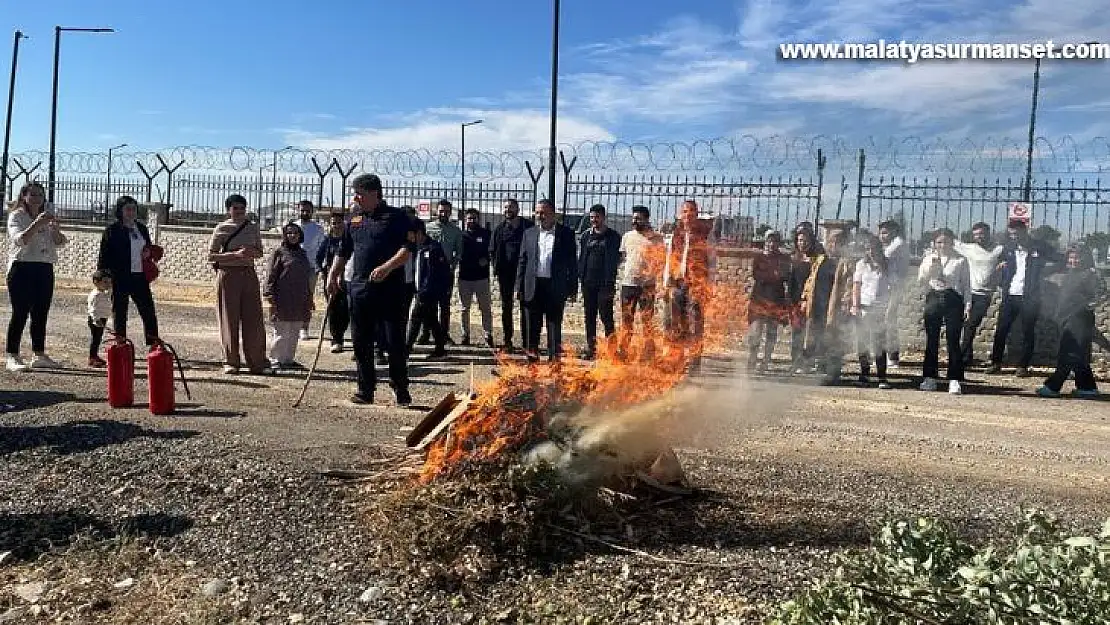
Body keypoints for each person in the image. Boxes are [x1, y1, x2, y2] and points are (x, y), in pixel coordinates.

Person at [326, 174, 417, 406]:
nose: (356, 198)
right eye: (355, 193)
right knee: (360, 342)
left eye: (360, 194)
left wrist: (387, 267)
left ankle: (400, 388)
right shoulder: (354, 221)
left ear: (375, 193)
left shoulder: (397, 218)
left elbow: (407, 249)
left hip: (390, 292)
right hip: (359, 290)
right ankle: (365, 390)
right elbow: (343, 251)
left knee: (393, 342)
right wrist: (333, 274)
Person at [6, 181, 67, 372]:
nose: (36, 198)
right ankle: (12, 355)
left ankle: (39, 354)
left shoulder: (46, 217)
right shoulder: (17, 216)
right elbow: (20, 240)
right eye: (32, 194)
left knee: (41, 313)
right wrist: (38, 223)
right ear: (24, 196)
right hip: (22, 268)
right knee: (20, 312)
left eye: (40, 195)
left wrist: (55, 229)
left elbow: (59, 242)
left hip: (44, 268)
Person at [208, 194, 269, 375]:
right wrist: (235, 255)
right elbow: (211, 256)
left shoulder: (252, 228)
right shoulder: (221, 228)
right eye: (235, 208)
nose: (239, 212)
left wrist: (251, 253)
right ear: (228, 210)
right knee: (229, 319)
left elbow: (259, 252)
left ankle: (257, 362)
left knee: (254, 320)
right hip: (228, 275)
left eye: (242, 208)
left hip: (248, 275)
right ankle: (231, 361)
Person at [985, 219, 1055, 377]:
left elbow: (1059, 259)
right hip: (1010, 295)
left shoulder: (1039, 247)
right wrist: (1001, 269)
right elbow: (998, 263)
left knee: (1028, 331)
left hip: (1030, 297)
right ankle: (996, 363)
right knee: (1002, 330)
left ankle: (1022, 366)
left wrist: (1044, 273)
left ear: (1025, 231)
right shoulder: (1009, 247)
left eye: (1016, 234)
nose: (1014, 237)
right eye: (1011, 234)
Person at [1037, 246, 1108, 398]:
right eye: (1070, 257)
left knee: (1068, 353)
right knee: (1079, 353)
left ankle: (1053, 386)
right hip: (1065, 318)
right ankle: (1087, 387)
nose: (1073, 261)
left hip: (1079, 320)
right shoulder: (1070, 274)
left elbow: (1102, 293)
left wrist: (1085, 307)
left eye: (1077, 258)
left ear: (1085, 258)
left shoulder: (1090, 274)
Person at [516, 199, 578, 362]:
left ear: (553, 213)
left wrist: (572, 288)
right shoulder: (529, 233)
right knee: (532, 327)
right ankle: (532, 361)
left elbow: (572, 263)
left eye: (543, 212)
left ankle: (554, 362)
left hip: (555, 287)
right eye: (537, 212)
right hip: (533, 286)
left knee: (554, 326)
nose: (539, 216)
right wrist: (519, 286)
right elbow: (523, 261)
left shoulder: (566, 234)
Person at [97, 195, 161, 348]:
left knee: (148, 312)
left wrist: (148, 253)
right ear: (120, 211)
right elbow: (104, 254)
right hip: (120, 276)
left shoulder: (141, 228)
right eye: (128, 209)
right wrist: (102, 276)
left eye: (134, 209)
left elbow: (148, 248)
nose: (131, 212)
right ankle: (121, 343)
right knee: (120, 312)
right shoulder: (112, 230)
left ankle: (153, 343)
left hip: (139, 276)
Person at [918, 228, 972, 394]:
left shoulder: (960, 260)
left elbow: (966, 284)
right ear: (934, 243)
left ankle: (954, 379)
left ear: (952, 242)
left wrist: (968, 304)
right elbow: (920, 281)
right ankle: (930, 377)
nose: (943, 245)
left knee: (953, 340)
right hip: (934, 296)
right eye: (939, 242)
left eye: (946, 242)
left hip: (953, 297)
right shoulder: (928, 259)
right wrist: (930, 270)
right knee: (932, 340)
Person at [798, 228, 855, 384]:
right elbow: (810, 280)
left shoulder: (845, 263)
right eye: (831, 242)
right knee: (818, 337)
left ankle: (833, 371)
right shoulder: (821, 260)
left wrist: (845, 305)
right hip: (817, 306)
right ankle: (820, 366)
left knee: (835, 339)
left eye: (838, 242)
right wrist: (804, 298)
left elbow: (849, 286)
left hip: (835, 309)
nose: (834, 245)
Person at [663, 200, 714, 367]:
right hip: (678, 284)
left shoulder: (705, 235)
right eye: (685, 211)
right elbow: (669, 258)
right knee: (676, 322)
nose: (688, 214)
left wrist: (709, 285)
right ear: (680, 214)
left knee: (695, 323)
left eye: (691, 211)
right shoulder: (676, 234)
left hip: (697, 285)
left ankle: (694, 362)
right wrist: (666, 283)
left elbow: (712, 261)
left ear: (697, 214)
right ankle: (677, 358)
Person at [617, 205, 665, 361]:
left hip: (647, 286)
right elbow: (623, 257)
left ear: (646, 219)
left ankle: (648, 353)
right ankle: (623, 351)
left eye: (638, 218)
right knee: (626, 320)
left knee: (647, 321)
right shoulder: (627, 237)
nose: (634, 221)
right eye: (633, 218)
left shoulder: (657, 239)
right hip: (629, 284)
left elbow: (661, 261)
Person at [264, 222, 314, 372]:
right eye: (289, 233)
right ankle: (275, 360)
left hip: (300, 298)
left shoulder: (303, 254)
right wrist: (269, 294)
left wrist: (309, 297)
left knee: (294, 330)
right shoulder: (279, 252)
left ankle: (288, 360)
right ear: (285, 235)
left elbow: (307, 276)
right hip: (282, 297)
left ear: (300, 236)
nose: (293, 236)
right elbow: (270, 275)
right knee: (281, 331)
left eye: (295, 233)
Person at [953, 222, 1004, 366]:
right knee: (965, 324)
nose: (979, 237)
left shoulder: (998, 249)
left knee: (971, 324)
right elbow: (950, 243)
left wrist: (1003, 265)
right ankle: (965, 356)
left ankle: (962, 357)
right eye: (976, 234)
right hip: (968, 292)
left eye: (981, 234)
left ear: (988, 233)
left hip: (984, 294)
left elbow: (1010, 258)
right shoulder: (969, 248)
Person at [577, 204, 622, 360]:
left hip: (605, 285)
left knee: (606, 317)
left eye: (596, 217)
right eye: (591, 217)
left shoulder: (614, 237)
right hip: (588, 283)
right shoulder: (585, 236)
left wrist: (610, 278)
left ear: (603, 217)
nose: (594, 220)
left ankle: (612, 350)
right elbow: (582, 257)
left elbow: (618, 258)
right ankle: (591, 348)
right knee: (589, 316)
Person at [490, 198, 534, 352]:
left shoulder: (528, 227)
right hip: (505, 275)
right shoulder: (499, 229)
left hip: (524, 275)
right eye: (506, 207)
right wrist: (496, 266)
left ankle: (526, 342)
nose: (508, 210)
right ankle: (507, 341)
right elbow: (492, 250)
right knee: (506, 307)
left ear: (518, 210)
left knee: (525, 307)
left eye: (511, 207)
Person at [851, 235, 893, 388]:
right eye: (868, 249)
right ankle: (864, 374)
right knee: (862, 343)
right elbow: (856, 286)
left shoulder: (888, 265)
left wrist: (890, 308)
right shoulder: (861, 265)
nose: (871, 251)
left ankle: (882, 377)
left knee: (879, 344)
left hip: (880, 309)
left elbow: (893, 287)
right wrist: (855, 306)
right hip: (863, 307)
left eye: (873, 248)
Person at [746, 231, 791, 371]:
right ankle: (752, 359)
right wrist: (773, 275)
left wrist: (772, 276)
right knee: (756, 332)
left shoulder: (783, 259)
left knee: (771, 332)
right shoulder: (759, 258)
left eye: (775, 241)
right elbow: (757, 275)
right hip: (759, 300)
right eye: (769, 241)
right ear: (765, 242)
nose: (772, 244)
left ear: (778, 243)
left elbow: (784, 276)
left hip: (776, 300)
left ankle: (765, 361)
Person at [406, 219, 450, 358]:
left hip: (429, 292)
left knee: (415, 318)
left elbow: (434, 274)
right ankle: (440, 347)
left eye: (411, 234)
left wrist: (424, 291)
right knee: (431, 319)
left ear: (419, 233)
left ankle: (406, 349)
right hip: (420, 290)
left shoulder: (433, 248)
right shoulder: (416, 247)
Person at [424, 199, 463, 344]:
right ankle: (426, 334)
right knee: (429, 305)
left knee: (445, 305)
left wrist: (453, 264)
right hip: (430, 273)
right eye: (441, 211)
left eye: (446, 211)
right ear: (436, 211)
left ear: (450, 212)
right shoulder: (428, 228)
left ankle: (444, 335)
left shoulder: (456, 231)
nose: (443, 214)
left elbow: (459, 252)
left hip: (446, 273)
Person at [457, 208, 494, 347]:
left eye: (474, 218)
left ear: (478, 219)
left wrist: (487, 259)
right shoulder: (461, 235)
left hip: (481, 278)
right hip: (464, 278)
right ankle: (465, 335)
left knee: (485, 308)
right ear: (465, 220)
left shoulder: (486, 234)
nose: (471, 220)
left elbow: (492, 250)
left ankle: (488, 334)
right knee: (464, 309)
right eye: (469, 218)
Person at [877, 218, 909, 369]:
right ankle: (882, 353)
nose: (882, 236)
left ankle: (893, 355)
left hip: (895, 288)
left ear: (894, 232)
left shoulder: (898, 244)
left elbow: (882, 257)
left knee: (889, 321)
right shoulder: (889, 245)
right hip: (884, 288)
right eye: (880, 233)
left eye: (885, 232)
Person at [316, 212, 350, 353]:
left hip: (346, 280)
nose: (336, 225)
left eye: (339, 222)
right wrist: (324, 273)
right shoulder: (327, 241)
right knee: (333, 309)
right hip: (331, 280)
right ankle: (336, 339)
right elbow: (318, 259)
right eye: (333, 223)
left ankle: (343, 332)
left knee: (346, 310)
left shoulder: (349, 240)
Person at [294, 200, 326, 340]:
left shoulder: (318, 229)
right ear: (298, 210)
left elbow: (321, 249)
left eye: (308, 210)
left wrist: (321, 267)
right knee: (293, 297)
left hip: (310, 268)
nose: (305, 213)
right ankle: (293, 326)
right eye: (302, 210)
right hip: (293, 268)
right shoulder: (292, 226)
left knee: (307, 298)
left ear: (312, 211)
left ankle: (304, 327)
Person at [788, 228, 818, 373]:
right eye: (800, 240)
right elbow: (791, 282)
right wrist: (792, 302)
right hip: (796, 303)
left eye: (805, 240)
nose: (802, 243)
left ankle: (808, 362)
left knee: (810, 334)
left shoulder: (816, 260)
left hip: (812, 302)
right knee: (797, 333)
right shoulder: (794, 259)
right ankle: (796, 362)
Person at [87, 270, 113, 368]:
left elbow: (109, 294)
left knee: (98, 338)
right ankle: (92, 358)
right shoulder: (95, 295)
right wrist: (95, 320)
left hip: (103, 318)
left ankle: (95, 356)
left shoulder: (104, 293)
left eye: (110, 282)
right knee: (95, 339)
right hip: (96, 320)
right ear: (96, 282)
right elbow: (92, 309)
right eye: (105, 282)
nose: (108, 284)